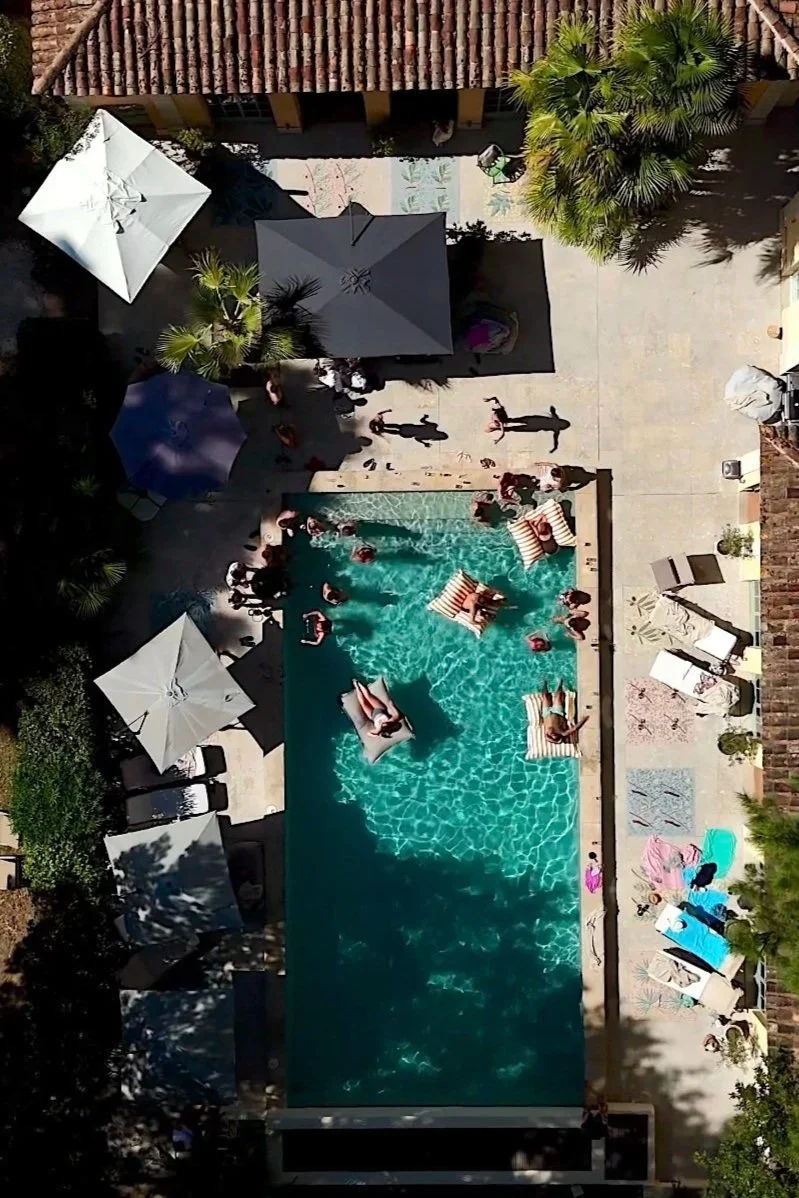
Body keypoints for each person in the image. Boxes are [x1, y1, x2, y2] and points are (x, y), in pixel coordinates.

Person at [540, 678, 589, 744]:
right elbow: (574, 728)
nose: (553, 734)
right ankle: (560, 682)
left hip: (546, 713)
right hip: (558, 712)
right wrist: (584, 719)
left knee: (545, 696)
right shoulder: (562, 733)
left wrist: (554, 740)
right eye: (556, 736)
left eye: (552, 736)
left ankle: (545, 682)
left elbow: (548, 739)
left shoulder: (546, 735)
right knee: (558, 695)